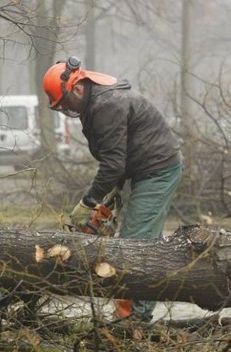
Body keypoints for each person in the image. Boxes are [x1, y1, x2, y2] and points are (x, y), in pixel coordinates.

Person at [42, 56, 183, 322]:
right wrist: (106, 202)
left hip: (157, 170)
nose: (66, 111)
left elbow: (113, 164)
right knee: (125, 232)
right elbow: (118, 155)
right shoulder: (95, 101)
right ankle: (130, 306)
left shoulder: (108, 105)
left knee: (136, 243)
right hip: (136, 169)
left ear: (77, 87)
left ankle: (135, 317)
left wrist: (89, 201)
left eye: (65, 104)